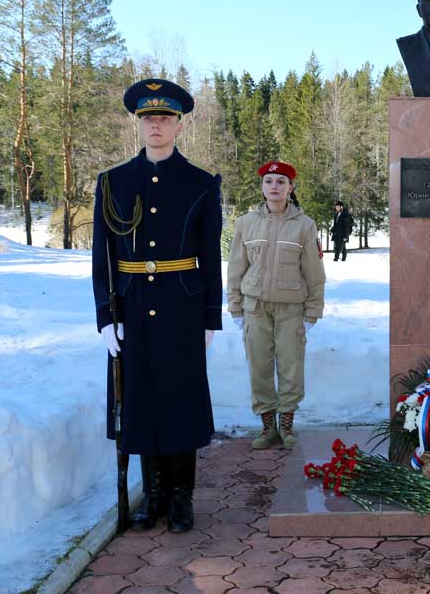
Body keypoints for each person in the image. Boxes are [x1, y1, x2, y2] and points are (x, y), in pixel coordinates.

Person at [92, 78, 223, 533]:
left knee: (180, 400)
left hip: (182, 309)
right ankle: (154, 495)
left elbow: (210, 253)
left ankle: (182, 498)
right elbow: (102, 257)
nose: (156, 125)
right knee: (142, 400)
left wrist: (210, 316)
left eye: (165, 118)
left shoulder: (201, 183)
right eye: (149, 118)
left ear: (179, 125)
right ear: (139, 124)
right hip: (132, 309)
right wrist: (106, 318)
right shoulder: (113, 182)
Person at [226, 160, 326, 451]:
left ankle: (287, 426)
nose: (274, 187)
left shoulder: (305, 226)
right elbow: (235, 269)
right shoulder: (246, 224)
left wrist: (313, 310)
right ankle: (268, 427)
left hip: (291, 310)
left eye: (281, 182)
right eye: (269, 182)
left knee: (291, 367)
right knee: (259, 366)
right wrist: (235, 307)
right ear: (262, 187)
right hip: (254, 308)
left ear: (291, 188)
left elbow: (314, 272)